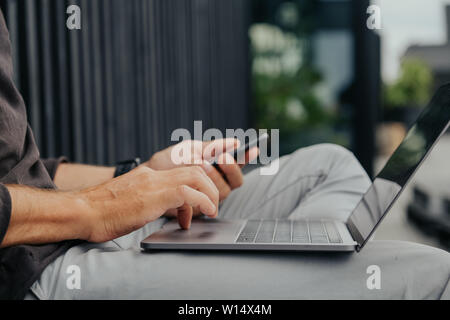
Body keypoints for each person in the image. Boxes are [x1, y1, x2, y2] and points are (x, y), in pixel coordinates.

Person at [0, 11, 449, 300]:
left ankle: (301, 270)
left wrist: (141, 173)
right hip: (36, 271)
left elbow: (38, 173)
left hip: (68, 225)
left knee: (332, 164)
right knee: (433, 274)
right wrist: (94, 207)